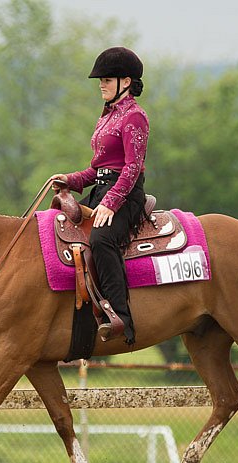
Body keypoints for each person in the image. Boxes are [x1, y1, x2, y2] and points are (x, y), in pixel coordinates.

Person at [50, 46, 149, 345]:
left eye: (107, 79)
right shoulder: (106, 117)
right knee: (65, 229)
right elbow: (97, 170)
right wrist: (70, 179)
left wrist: (111, 202)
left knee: (101, 240)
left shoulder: (135, 117)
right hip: (101, 191)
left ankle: (120, 318)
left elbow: (133, 167)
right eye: (100, 80)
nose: (101, 84)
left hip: (127, 195)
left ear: (126, 82)